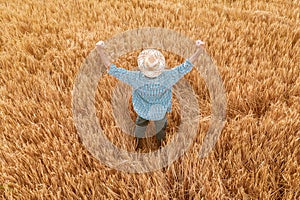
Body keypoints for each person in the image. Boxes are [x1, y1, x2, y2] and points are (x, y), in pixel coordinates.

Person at [96, 40, 205, 150]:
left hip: (142, 110)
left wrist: (100, 50)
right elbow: (186, 66)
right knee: (161, 128)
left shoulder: (135, 77)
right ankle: (160, 143)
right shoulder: (169, 76)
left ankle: (138, 142)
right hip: (160, 112)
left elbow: (111, 68)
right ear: (160, 66)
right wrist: (199, 50)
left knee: (140, 125)